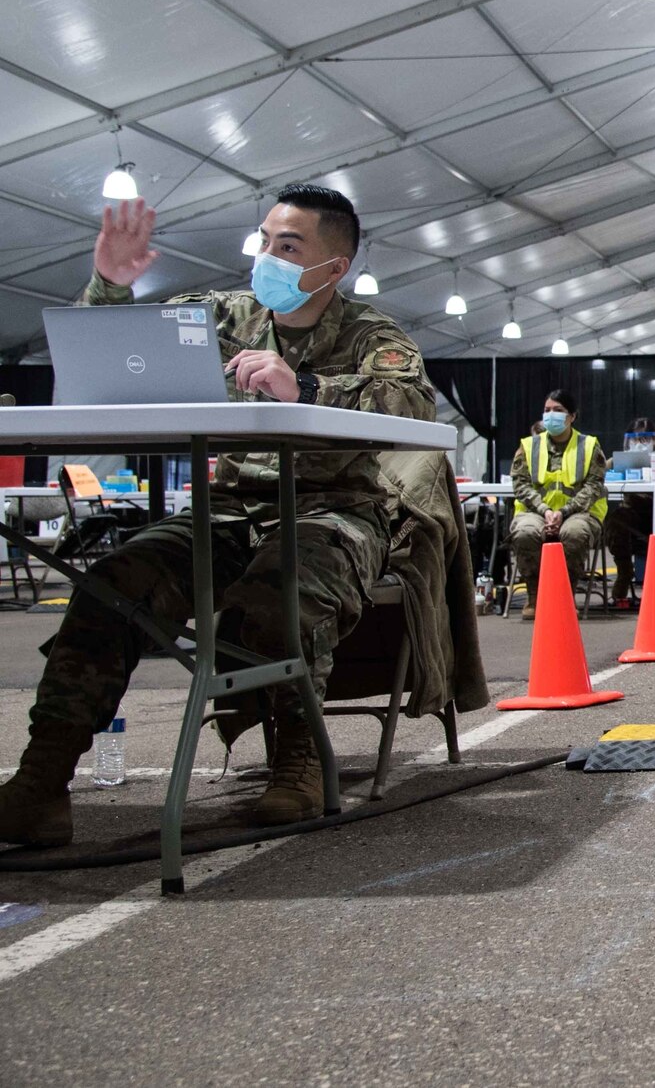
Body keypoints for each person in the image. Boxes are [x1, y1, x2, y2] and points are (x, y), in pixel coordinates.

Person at [0, 188, 433, 845]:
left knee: (285, 590)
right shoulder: (217, 317)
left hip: (336, 506)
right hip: (229, 507)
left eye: (288, 248)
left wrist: (304, 384)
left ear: (334, 265)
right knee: (111, 587)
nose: (267, 258)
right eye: (264, 241)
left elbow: (409, 407)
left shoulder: (373, 335)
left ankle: (299, 759)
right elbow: (108, 358)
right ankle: (42, 779)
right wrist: (111, 286)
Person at [509, 389, 606, 623]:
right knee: (524, 533)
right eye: (547, 410)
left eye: (558, 410)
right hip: (536, 512)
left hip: (578, 514)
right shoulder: (528, 445)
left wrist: (563, 513)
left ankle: (566, 597)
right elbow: (520, 484)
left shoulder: (590, 446)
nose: (551, 415)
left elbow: (593, 487)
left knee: (574, 533)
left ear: (572, 416)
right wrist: (545, 511)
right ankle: (535, 597)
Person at [601, 415, 655, 605]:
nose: (640, 444)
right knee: (616, 521)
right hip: (632, 512)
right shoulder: (618, 460)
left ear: (654, 439)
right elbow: (597, 476)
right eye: (635, 439)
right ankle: (624, 572)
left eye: (644, 439)